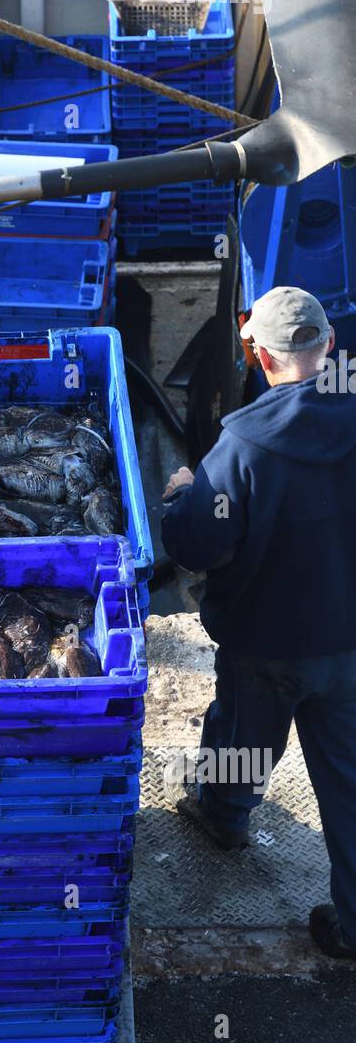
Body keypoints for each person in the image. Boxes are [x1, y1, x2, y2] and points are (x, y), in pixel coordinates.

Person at [160, 286, 356, 961]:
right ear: (329, 346)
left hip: (265, 647)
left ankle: (224, 818)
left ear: (259, 357)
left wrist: (185, 494)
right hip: (349, 645)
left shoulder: (239, 450)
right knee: (350, 783)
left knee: (243, 741)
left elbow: (195, 548)